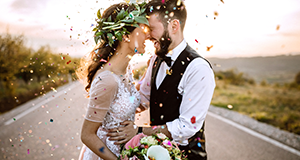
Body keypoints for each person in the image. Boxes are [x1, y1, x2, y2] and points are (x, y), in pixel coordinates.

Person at [108, 0, 216, 159]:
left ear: (174, 26)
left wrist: (140, 130)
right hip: (152, 152)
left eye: (151, 29)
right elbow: (142, 98)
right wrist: (115, 103)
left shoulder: (198, 69)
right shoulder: (155, 59)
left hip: (186, 155)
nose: (147, 35)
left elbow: (187, 126)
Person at [76, 2, 150, 160]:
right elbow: (87, 135)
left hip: (126, 151)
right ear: (125, 36)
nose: (148, 36)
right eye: (143, 30)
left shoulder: (126, 70)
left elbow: (127, 105)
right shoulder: (107, 81)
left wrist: (136, 128)